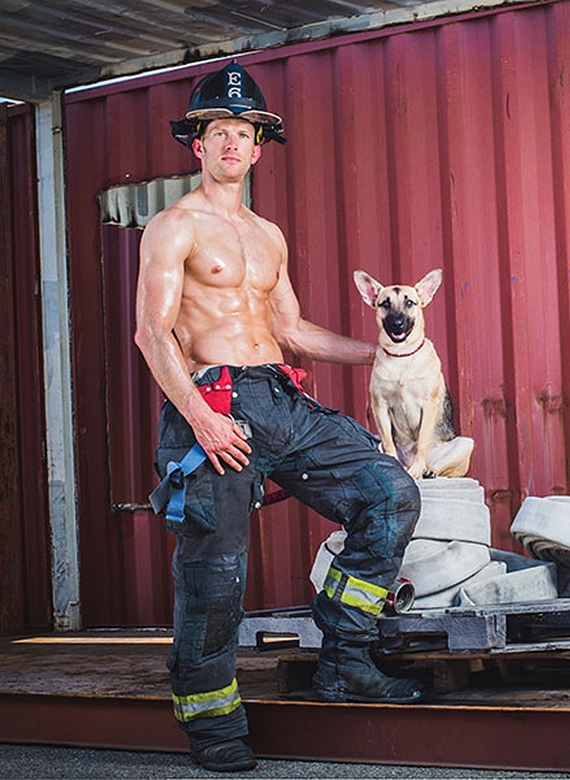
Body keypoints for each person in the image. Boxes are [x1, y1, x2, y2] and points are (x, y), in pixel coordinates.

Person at [135, 61, 425, 774]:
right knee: (216, 571)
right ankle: (213, 723)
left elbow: (293, 330)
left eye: (245, 132)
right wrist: (202, 419)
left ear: (259, 147)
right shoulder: (173, 226)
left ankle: (346, 656)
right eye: (218, 132)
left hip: (280, 401)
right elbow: (151, 333)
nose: (232, 143)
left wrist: (384, 353)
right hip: (215, 404)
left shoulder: (268, 235)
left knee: (390, 494)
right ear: (196, 144)